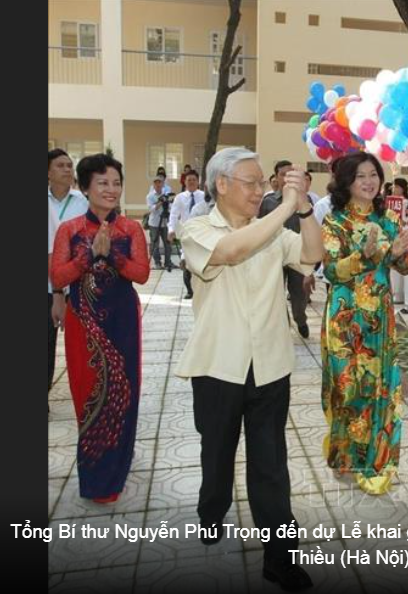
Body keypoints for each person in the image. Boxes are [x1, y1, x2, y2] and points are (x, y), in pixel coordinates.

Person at [175, 147, 323, 590]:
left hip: (271, 366)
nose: (261, 190)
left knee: (270, 464)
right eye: (252, 183)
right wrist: (283, 209)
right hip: (219, 365)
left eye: (264, 183)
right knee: (217, 452)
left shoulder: (273, 231)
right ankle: (211, 510)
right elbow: (234, 251)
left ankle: (280, 557)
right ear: (222, 184)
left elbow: (312, 255)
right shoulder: (197, 228)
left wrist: (306, 208)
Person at [50, 153, 150, 502]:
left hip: (122, 320)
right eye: (103, 183)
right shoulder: (70, 229)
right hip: (84, 324)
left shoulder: (131, 228)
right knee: (89, 395)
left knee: (125, 395)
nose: (111, 189)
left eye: (116, 183)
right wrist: (88, 255)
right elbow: (58, 276)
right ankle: (94, 478)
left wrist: (115, 257)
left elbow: (142, 274)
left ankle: (118, 470)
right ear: (85, 187)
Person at [320, 152, 408, 495]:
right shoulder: (335, 222)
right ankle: (345, 454)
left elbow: (404, 268)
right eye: (361, 176)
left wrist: (401, 253)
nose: (369, 181)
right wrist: (366, 254)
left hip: (379, 321)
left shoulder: (388, 218)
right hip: (345, 319)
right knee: (347, 389)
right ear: (347, 182)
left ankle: (374, 463)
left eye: (373, 174)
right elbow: (331, 270)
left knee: (379, 390)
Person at [48, 149, 89, 398]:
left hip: (77, 283)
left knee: (82, 342)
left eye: (69, 165)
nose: (67, 169)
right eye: (61, 165)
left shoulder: (82, 202)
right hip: (48, 285)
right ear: (48, 172)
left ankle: (87, 392)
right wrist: (56, 293)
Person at [259, 160, 313, 338]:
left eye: (290, 174)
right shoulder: (268, 202)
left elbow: (310, 230)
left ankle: (301, 319)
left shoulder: (305, 200)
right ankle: (284, 323)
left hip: (297, 255)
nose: (287, 178)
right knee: (276, 295)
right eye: (283, 174)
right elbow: (259, 229)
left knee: (299, 295)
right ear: (276, 177)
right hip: (274, 256)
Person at [168, 170, 205, 299]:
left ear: (198, 181)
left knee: (199, 262)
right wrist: (171, 230)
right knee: (185, 260)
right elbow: (173, 215)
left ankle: (200, 288)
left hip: (201, 234)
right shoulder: (180, 197)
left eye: (194, 180)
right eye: (189, 180)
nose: (191, 182)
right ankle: (189, 290)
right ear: (185, 181)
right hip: (186, 234)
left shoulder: (204, 196)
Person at [146, 175, 173, 271]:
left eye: (159, 182)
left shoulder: (166, 195)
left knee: (168, 243)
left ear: (162, 184)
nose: (157, 184)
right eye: (156, 182)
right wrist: (161, 202)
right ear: (153, 184)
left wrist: (167, 202)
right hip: (154, 223)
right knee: (155, 244)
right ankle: (157, 263)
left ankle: (168, 262)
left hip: (165, 222)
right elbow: (151, 209)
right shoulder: (150, 196)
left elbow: (171, 207)